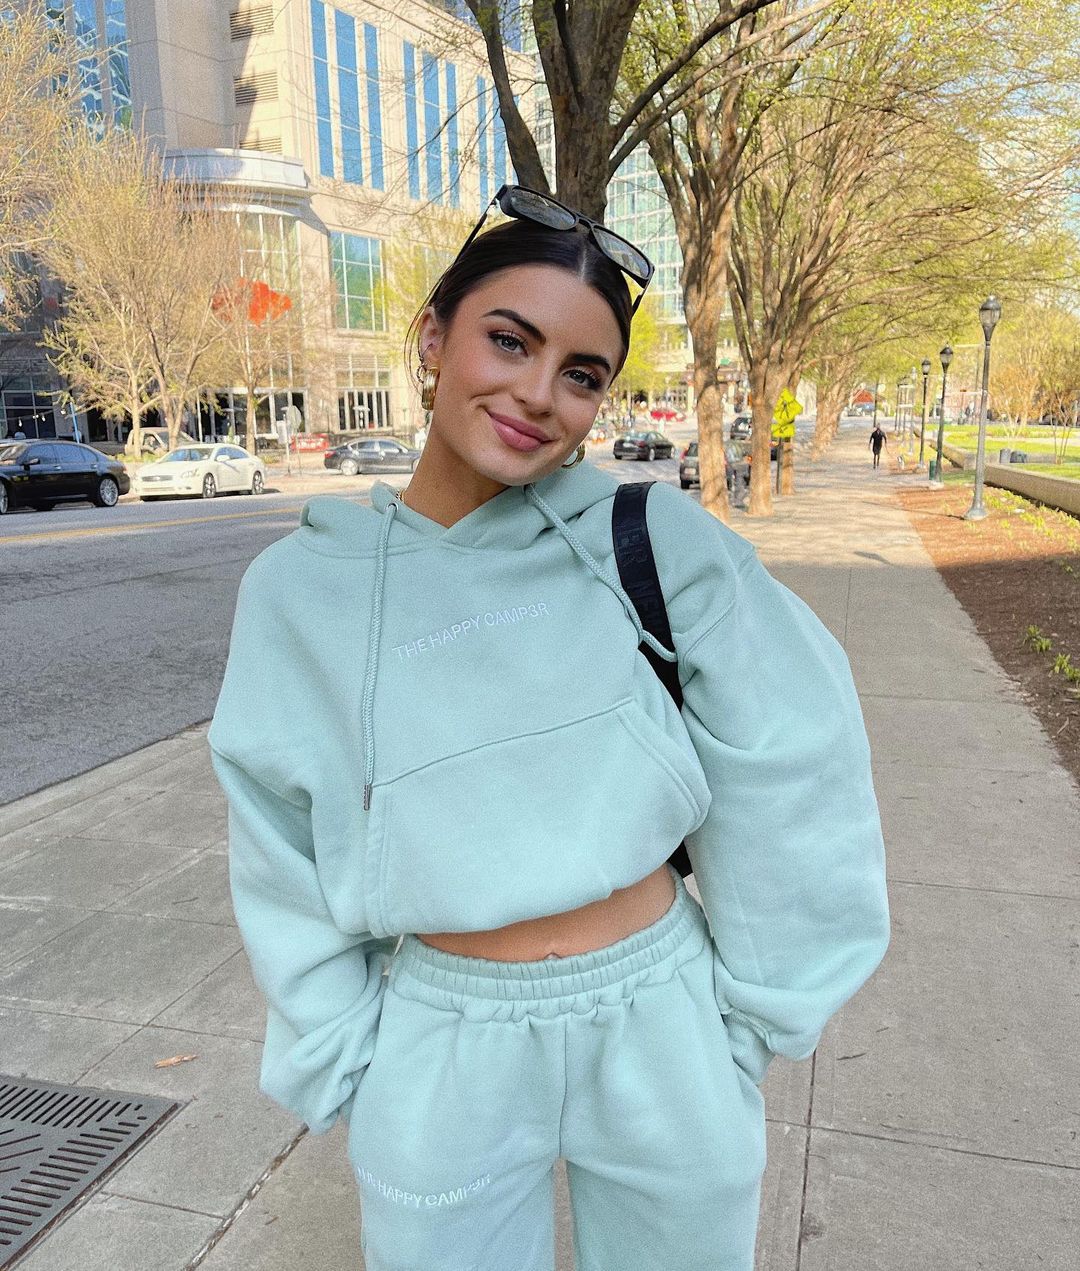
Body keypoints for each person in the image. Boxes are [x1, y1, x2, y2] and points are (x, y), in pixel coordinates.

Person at [208, 184, 890, 1271]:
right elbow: (277, 835)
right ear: (433, 335)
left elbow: (795, 760)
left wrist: (754, 1019)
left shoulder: (650, 537)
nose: (538, 394)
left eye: (583, 374)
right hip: (441, 1037)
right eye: (508, 340)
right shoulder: (299, 590)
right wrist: (349, 1058)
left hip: (663, 1014)